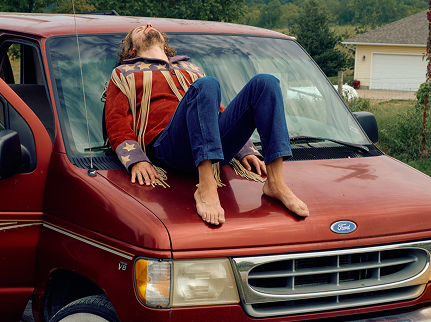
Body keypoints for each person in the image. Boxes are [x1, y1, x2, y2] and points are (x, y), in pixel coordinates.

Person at [104, 23, 309, 226]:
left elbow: (218, 112)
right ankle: (206, 186)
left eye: (148, 25)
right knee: (207, 84)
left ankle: (275, 181)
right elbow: (116, 121)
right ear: (132, 49)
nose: (147, 25)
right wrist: (136, 159)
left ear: (165, 45)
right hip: (170, 147)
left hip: (213, 143)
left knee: (266, 82)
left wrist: (243, 148)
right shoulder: (124, 74)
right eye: (139, 29)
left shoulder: (191, 68)